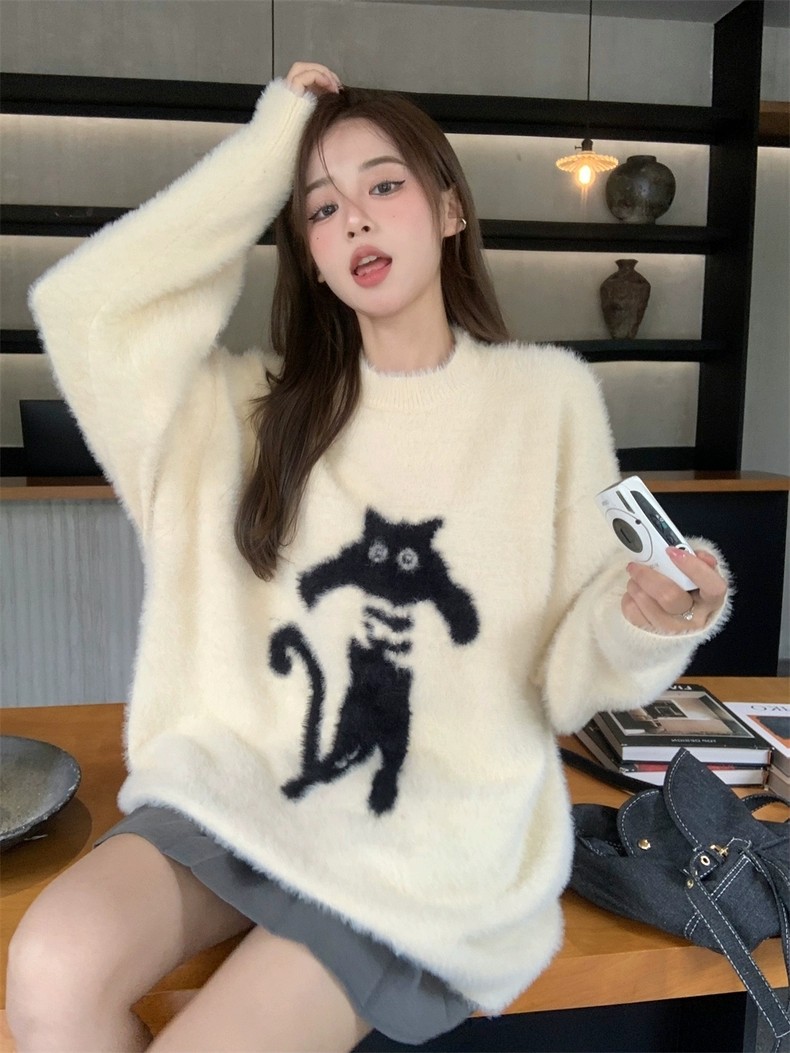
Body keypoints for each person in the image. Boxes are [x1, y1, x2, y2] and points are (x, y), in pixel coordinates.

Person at [7, 62, 730, 1052]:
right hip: (241, 789)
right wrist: (269, 148)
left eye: (383, 185)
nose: (353, 218)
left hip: (423, 835)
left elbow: (571, 676)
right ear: (306, 253)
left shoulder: (543, 401)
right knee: (49, 963)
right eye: (319, 207)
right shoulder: (242, 412)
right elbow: (88, 311)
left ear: (449, 209)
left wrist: (646, 619)